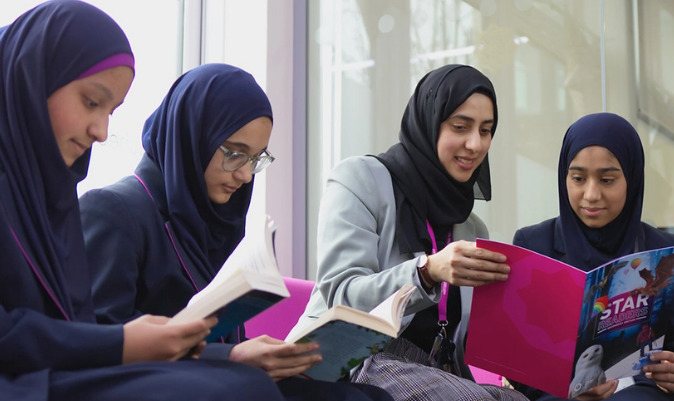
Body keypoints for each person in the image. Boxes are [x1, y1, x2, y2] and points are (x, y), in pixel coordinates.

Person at [0, 2, 288, 401]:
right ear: (31, 79)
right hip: (32, 379)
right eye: (91, 101)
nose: (101, 132)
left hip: (49, 373)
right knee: (241, 389)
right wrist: (123, 343)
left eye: (255, 159)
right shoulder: (112, 210)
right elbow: (93, 329)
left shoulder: (49, 198)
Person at [79, 62, 394, 401]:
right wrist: (230, 356)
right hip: (159, 386)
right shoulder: (114, 209)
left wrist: (271, 357)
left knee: (371, 397)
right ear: (192, 137)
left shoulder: (211, 221)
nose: (245, 175)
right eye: (234, 154)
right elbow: (100, 339)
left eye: (256, 159)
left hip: (214, 380)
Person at [286, 64, 528, 401]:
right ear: (429, 122)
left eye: (486, 131)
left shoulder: (471, 228)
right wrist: (427, 271)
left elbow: (466, 344)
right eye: (460, 127)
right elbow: (341, 296)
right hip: (354, 359)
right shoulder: (359, 180)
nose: (475, 144)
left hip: (434, 373)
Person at [511, 112, 674, 401]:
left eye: (607, 180)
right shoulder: (533, 244)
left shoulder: (663, 253)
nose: (591, 194)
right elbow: (517, 362)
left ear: (632, 178)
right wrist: (571, 388)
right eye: (578, 178)